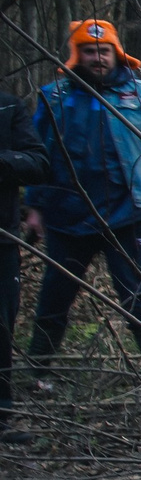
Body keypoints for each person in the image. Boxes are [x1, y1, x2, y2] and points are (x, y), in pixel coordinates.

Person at [24, 20, 141, 385]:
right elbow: (38, 153)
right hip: (66, 215)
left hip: (127, 215)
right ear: (77, 55)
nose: (97, 58)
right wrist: (34, 206)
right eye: (89, 51)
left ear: (116, 53)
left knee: (136, 294)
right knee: (55, 296)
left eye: (104, 51)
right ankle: (38, 368)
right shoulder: (54, 97)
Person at [0, 89, 44, 441]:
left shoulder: (8, 105)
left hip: (2, 237)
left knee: (2, 323)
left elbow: (37, 163)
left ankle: (1, 415)